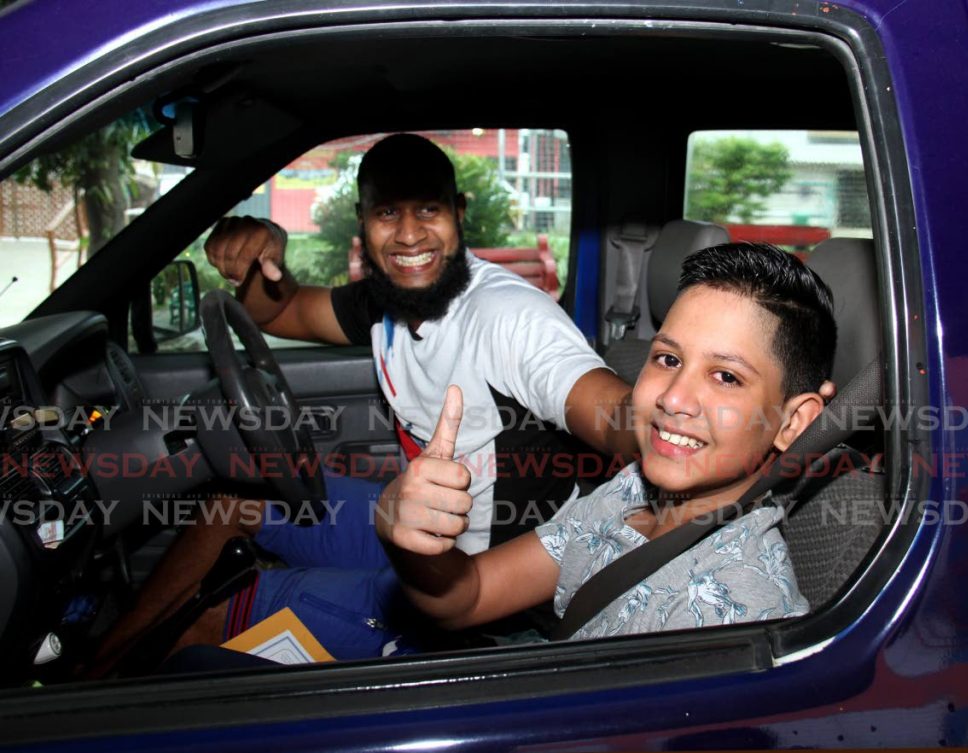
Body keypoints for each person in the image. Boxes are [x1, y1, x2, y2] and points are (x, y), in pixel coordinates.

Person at [92, 133, 636, 670]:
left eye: (428, 209)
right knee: (230, 504)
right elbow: (274, 313)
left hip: (483, 588)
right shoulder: (385, 302)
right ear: (362, 220)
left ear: (459, 213)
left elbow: (610, 415)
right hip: (406, 532)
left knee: (198, 622)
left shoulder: (508, 316)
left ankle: (88, 700)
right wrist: (262, 251)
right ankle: (92, 673)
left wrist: (679, 426)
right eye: (387, 214)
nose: (408, 234)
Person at [375, 242, 835, 639]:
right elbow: (469, 596)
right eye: (668, 359)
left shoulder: (736, 611)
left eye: (726, 377)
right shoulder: (632, 489)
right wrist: (406, 535)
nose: (673, 398)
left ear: (793, 422)